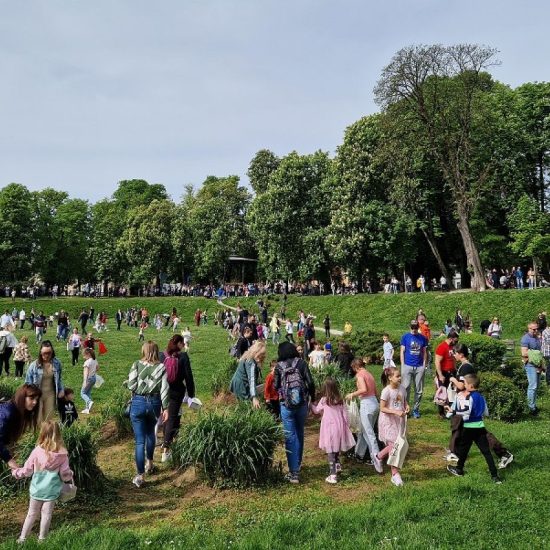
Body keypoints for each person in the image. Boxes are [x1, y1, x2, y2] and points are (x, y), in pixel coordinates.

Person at [446, 344, 513, 469]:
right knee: (459, 427)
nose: (453, 355)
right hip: (464, 402)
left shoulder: (466, 367)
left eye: (455, 353)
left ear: (461, 354)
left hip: (467, 403)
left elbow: (462, 386)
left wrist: (453, 380)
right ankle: (455, 453)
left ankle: (503, 453)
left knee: (477, 432)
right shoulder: (464, 366)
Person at [12, 420, 74, 542]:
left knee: (31, 514)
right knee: (46, 515)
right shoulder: (62, 455)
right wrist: (70, 475)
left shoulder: (37, 451)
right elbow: (65, 475)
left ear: (42, 433)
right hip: (51, 490)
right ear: (58, 434)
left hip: (37, 489)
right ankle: (42, 539)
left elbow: (27, 471)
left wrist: (16, 472)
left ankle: (22, 539)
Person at [125, 341, 169, 488]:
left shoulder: (136, 364)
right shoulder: (161, 367)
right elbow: (164, 389)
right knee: (151, 433)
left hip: (138, 402)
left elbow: (131, 385)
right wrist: (166, 408)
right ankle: (149, 463)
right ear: (156, 351)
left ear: (144, 350)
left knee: (139, 441)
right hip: (154, 403)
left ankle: (140, 476)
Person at [446, 374, 502, 483]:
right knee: (486, 452)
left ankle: (459, 469)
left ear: (471, 386)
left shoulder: (468, 397)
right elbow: (486, 412)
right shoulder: (481, 397)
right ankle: (495, 476)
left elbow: (466, 413)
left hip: (468, 428)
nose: (464, 385)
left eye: (465, 384)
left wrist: (452, 412)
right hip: (480, 427)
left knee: (463, 449)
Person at [274, 342, 316, 483]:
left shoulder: (279, 366)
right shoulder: (302, 363)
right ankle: (297, 464)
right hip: (302, 404)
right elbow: (311, 383)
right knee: (300, 433)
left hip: (286, 406)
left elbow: (276, 386)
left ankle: (294, 473)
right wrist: (312, 399)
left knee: (290, 437)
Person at [311, 378, 356, 484]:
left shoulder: (324, 400)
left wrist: (310, 404)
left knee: (330, 449)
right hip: (339, 427)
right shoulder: (340, 400)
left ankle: (333, 475)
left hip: (329, 427)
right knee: (336, 446)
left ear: (325, 388)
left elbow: (316, 411)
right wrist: (347, 426)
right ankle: (338, 466)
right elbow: (345, 415)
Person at [160, 335, 195, 463]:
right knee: (172, 417)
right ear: (179, 343)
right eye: (182, 343)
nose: (184, 345)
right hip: (176, 391)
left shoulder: (162, 355)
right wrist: (191, 394)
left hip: (162, 390)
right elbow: (188, 376)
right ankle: (166, 450)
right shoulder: (183, 357)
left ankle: (169, 439)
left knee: (166, 416)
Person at [346, 358, 383, 473]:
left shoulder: (360, 375)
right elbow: (375, 392)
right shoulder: (369, 374)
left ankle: (377, 458)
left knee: (369, 433)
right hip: (374, 403)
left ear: (355, 367)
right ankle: (359, 454)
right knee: (363, 430)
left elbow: (363, 389)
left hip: (366, 404)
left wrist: (352, 394)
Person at [376, 367, 409, 486]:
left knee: (397, 444)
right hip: (388, 422)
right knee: (394, 446)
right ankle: (395, 474)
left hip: (399, 421)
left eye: (400, 376)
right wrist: (395, 412)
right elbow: (382, 408)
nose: (400, 378)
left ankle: (378, 456)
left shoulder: (402, 388)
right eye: (397, 376)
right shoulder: (386, 391)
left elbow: (403, 401)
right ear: (390, 378)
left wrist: (407, 406)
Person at [0, 384, 42, 469]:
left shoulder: (19, 411)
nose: (35, 402)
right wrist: (9, 460)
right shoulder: (8, 413)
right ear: (22, 397)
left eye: (36, 399)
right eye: (31, 398)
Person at [26, 341, 65, 424]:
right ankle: (38, 432)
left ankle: (46, 432)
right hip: (38, 396)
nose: (46, 355)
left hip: (50, 395)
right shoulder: (34, 366)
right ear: (40, 352)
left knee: (48, 419)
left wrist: (61, 389)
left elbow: (59, 379)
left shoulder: (57, 363)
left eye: (49, 353)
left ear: (52, 352)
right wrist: (30, 397)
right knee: (38, 419)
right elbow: (28, 383)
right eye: (44, 353)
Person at [400, 320, 427, 419]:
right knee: (405, 388)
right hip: (407, 366)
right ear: (410, 327)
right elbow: (402, 351)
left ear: (418, 327)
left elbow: (424, 352)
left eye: (415, 327)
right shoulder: (405, 337)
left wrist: (424, 365)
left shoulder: (423, 338)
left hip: (419, 367)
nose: (414, 329)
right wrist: (402, 365)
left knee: (419, 390)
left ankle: (416, 409)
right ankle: (406, 408)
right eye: (412, 327)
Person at [230, 341, 266, 408]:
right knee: (246, 405)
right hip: (242, 386)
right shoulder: (251, 363)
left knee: (240, 403)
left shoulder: (247, 355)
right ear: (255, 352)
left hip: (236, 382)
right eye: (258, 356)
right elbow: (251, 379)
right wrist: (254, 397)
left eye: (261, 357)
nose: (259, 359)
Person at [434, 330, 459, 419]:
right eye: (455, 341)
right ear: (451, 338)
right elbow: (437, 361)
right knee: (442, 392)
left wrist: (455, 369)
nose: (456, 342)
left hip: (451, 372)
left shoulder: (452, 347)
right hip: (443, 372)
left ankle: (449, 409)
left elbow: (453, 359)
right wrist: (440, 375)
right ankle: (441, 413)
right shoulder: (442, 347)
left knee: (451, 391)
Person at [521, 321, 542, 415]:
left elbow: (539, 351)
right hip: (530, 365)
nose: (536, 331)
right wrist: (536, 353)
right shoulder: (525, 338)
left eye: (537, 329)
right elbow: (524, 353)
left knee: (536, 386)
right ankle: (530, 408)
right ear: (529, 329)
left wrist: (541, 364)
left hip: (538, 364)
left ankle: (533, 405)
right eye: (534, 329)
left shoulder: (537, 337)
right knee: (532, 386)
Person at [80, 348, 98, 414]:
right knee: (88, 393)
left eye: (84, 355)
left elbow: (86, 372)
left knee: (82, 393)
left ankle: (89, 402)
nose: (83, 357)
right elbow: (97, 368)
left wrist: (85, 381)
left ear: (88, 354)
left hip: (88, 379)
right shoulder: (94, 360)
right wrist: (93, 371)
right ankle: (87, 409)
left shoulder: (87, 362)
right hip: (94, 378)